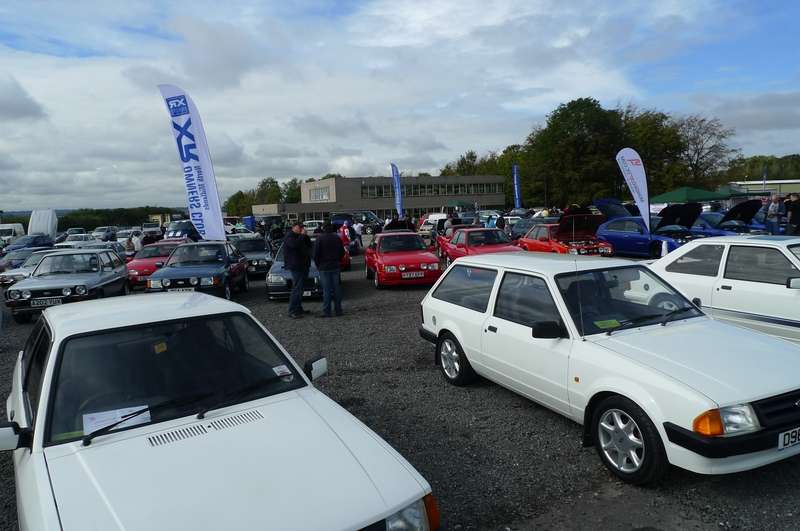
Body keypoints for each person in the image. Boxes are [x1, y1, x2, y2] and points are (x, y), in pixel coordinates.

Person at [313, 223, 345, 317]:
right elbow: (342, 252)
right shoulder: (337, 238)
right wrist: (337, 260)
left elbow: (316, 254)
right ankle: (338, 310)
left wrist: (318, 265)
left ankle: (327, 311)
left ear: (323, 229)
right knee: (337, 289)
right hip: (335, 266)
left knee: (326, 290)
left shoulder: (320, 239)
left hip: (324, 267)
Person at [282, 221, 312, 319]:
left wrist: (305, 236)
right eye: (300, 227)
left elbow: (309, 245)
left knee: (301, 288)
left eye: (302, 227)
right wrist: (302, 236)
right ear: (294, 227)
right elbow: (294, 245)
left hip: (303, 265)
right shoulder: (289, 236)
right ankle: (292, 310)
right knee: (297, 289)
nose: (301, 229)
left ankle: (298, 308)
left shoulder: (300, 236)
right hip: (296, 266)